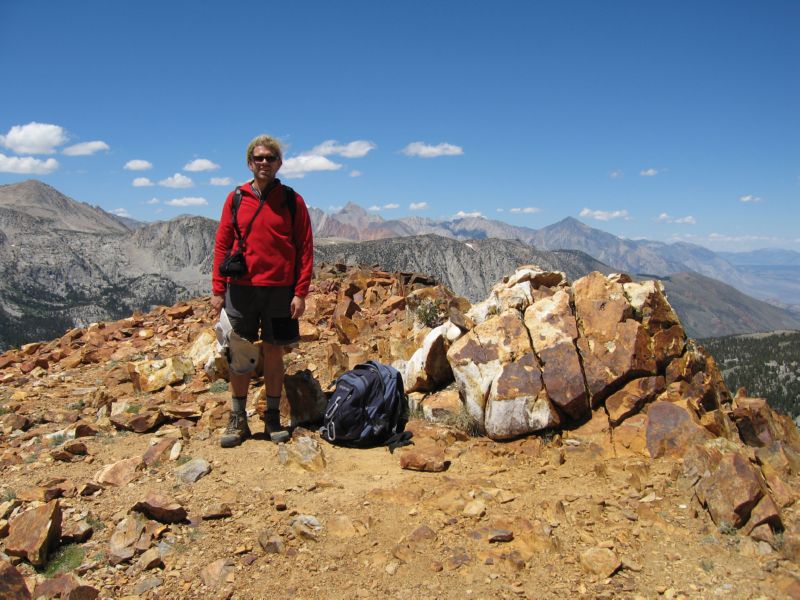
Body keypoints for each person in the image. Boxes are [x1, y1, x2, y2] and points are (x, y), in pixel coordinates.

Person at [211, 134, 314, 448]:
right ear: (249, 162)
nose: (264, 163)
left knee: (274, 352)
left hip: (280, 290)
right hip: (241, 289)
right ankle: (238, 418)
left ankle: (272, 416)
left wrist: (300, 292)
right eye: (259, 158)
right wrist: (217, 290)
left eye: (270, 158)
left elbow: (305, 248)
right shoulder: (237, 198)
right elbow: (222, 244)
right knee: (240, 353)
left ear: (279, 163)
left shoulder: (292, 201)